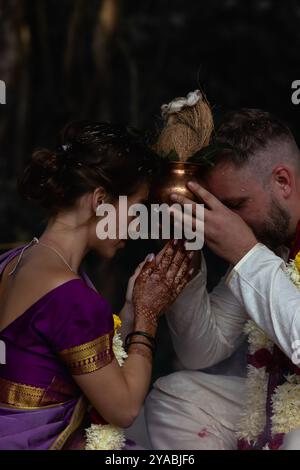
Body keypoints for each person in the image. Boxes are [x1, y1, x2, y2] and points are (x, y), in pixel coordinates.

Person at [0, 121, 194, 450]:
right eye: (135, 211)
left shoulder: (17, 260)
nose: (135, 227)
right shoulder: (67, 294)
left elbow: (78, 364)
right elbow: (124, 408)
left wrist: (131, 311)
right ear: (100, 200)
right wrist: (148, 315)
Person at [145, 105, 300, 450]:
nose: (227, 222)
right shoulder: (271, 244)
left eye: (235, 206)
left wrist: (246, 253)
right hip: (280, 396)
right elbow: (202, 353)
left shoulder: (254, 249)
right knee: (177, 399)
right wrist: (188, 260)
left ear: (282, 181)